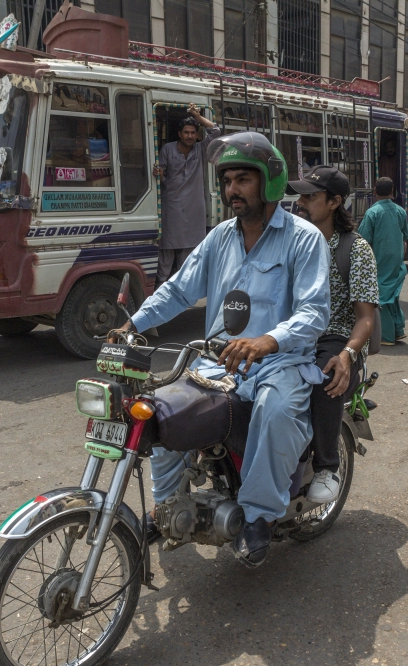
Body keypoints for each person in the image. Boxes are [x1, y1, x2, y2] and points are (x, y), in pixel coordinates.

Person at [116, 132, 330, 567]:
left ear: (269, 181)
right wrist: (132, 325)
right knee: (159, 410)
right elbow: (177, 290)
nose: (232, 189)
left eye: (243, 179)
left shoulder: (304, 239)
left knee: (275, 411)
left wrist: (270, 339)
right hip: (218, 364)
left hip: (280, 364)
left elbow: (314, 312)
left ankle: (258, 518)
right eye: (227, 180)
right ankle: (165, 507)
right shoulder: (218, 239)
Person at [290, 166, 378, 502]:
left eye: (310, 196)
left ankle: (328, 466)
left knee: (325, 377)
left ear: (334, 202)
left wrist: (347, 355)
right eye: (300, 195)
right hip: (294, 335)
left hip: (337, 337)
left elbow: (365, 319)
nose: (301, 202)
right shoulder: (292, 244)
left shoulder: (355, 250)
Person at [152, 104, 221, 285]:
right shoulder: (168, 149)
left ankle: (179, 297)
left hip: (193, 212)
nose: (190, 136)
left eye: (193, 133)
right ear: (179, 134)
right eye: (186, 132)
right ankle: (159, 293)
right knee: (166, 255)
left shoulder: (200, 149)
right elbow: (161, 173)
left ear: (197, 135)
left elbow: (215, 132)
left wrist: (196, 116)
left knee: (186, 260)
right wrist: (158, 174)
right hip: (171, 208)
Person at [359, 177, 408, 344]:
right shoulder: (400, 211)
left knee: (382, 299)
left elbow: (363, 239)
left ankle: (387, 336)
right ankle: (398, 330)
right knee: (393, 295)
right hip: (397, 260)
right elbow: (405, 236)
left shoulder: (372, 213)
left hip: (379, 260)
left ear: (374, 191)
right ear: (392, 191)